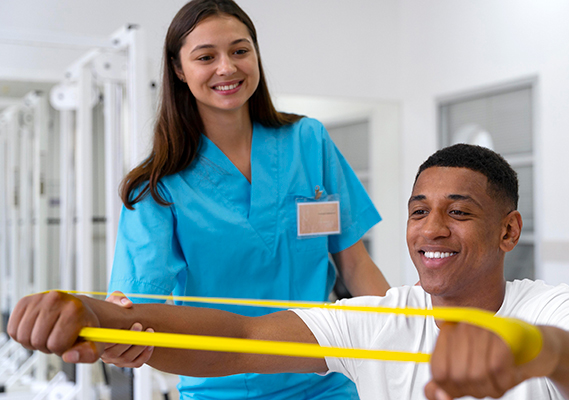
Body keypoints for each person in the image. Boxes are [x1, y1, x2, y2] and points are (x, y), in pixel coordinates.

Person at [8, 144, 569, 400]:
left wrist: (536, 350)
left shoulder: (543, 308)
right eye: (418, 212)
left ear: (508, 231)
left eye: (459, 213)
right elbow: (242, 339)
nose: (431, 230)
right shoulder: (382, 322)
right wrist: (104, 315)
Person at [100, 0, 390, 399]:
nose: (227, 67)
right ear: (179, 70)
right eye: (206, 56)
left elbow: (354, 263)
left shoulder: (309, 141)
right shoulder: (157, 186)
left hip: (327, 375)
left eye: (240, 50)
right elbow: (136, 307)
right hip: (221, 385)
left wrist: (403, 339)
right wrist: (119, 335)